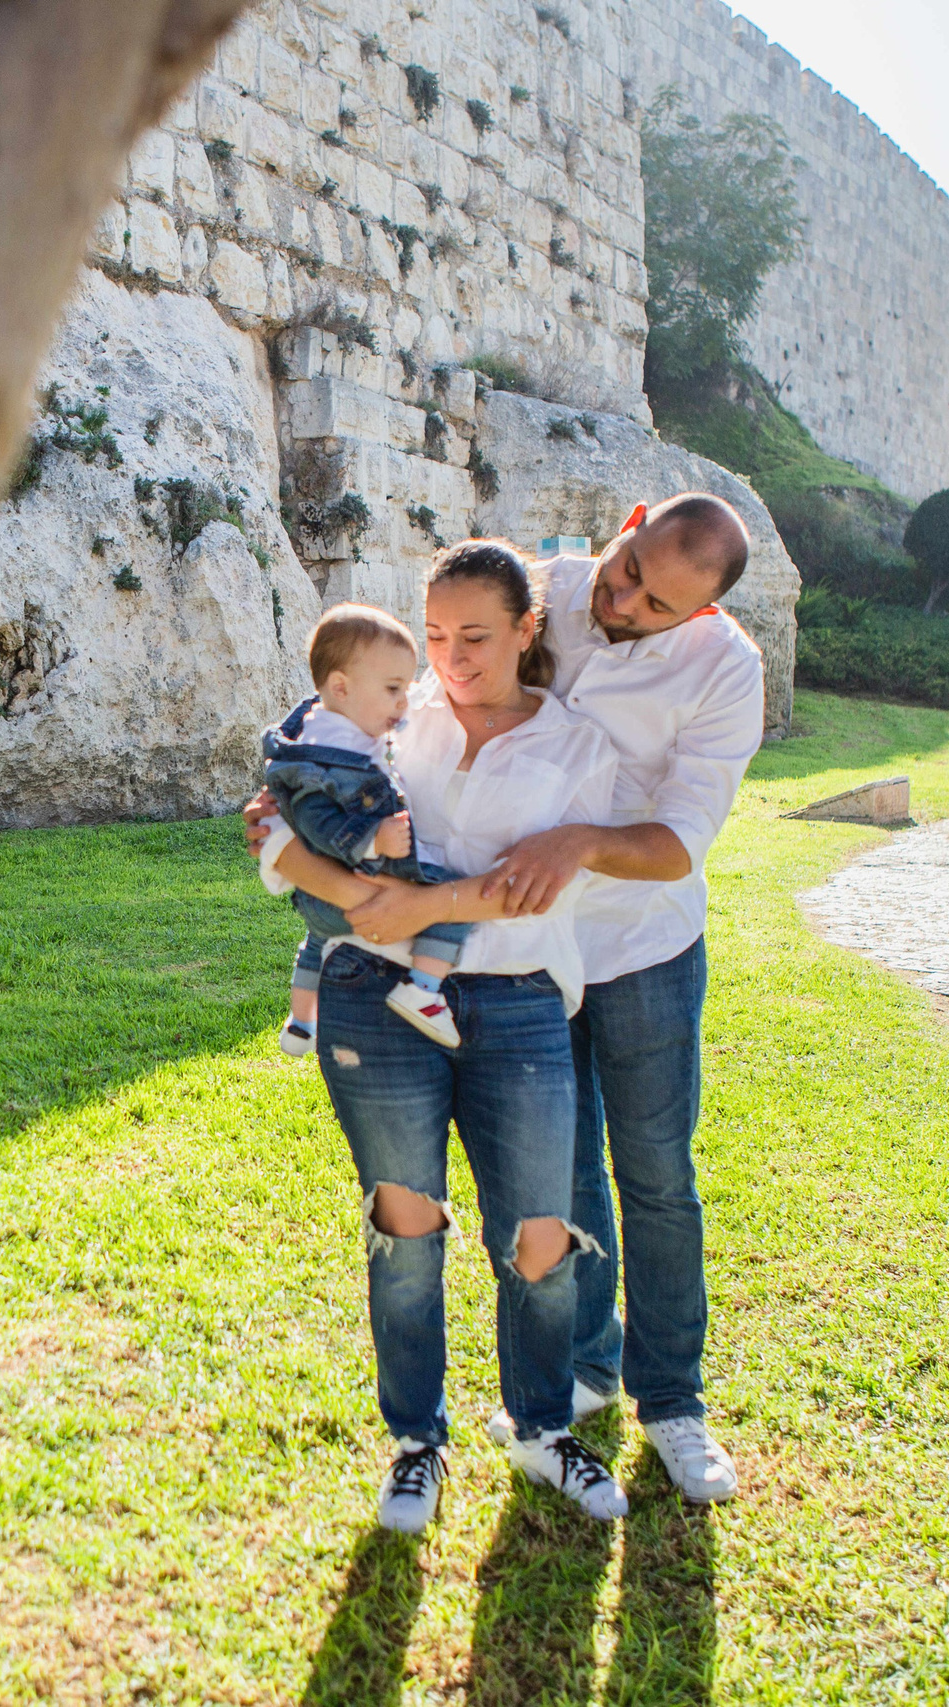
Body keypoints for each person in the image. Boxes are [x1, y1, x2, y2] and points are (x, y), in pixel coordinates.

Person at [250, 540, 639, 1535]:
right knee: (405, 1231)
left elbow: (539, 887)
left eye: (474, 636)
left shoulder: (577, 747)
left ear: (525, 629)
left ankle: (542, 1427)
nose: (450, 659)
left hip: (518, 1002)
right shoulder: (386, 717)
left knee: (540, 1235)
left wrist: (419, 905)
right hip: (372, 998)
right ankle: (416, 1441)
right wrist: (341, 886)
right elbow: (277, 833)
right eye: (433, 637)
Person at [461, 495, 768, 1504]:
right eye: (629, 567)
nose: (623, 601)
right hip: (530, 949)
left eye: (656, 603)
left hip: (644, 946)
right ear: (629, 524)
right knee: (559, 1172)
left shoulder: (726, 670)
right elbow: (436, 701)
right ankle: (587, 1368)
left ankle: (672, 1399)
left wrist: (579, 843)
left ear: (702, 613)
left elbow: (680, 841)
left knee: (656, 1175)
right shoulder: (539, 591)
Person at [262, 603, 476, 1054]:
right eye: (393, 689)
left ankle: (301, 1024)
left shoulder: (334, 734)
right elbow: (316, 821)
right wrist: (372, 840)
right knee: (456, 898)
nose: (403, 703)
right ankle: (423, 988)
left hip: (321, 896)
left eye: (407, 689)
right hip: (355, 884)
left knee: (316, 944)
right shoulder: (329, 755)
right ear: (341, 687)